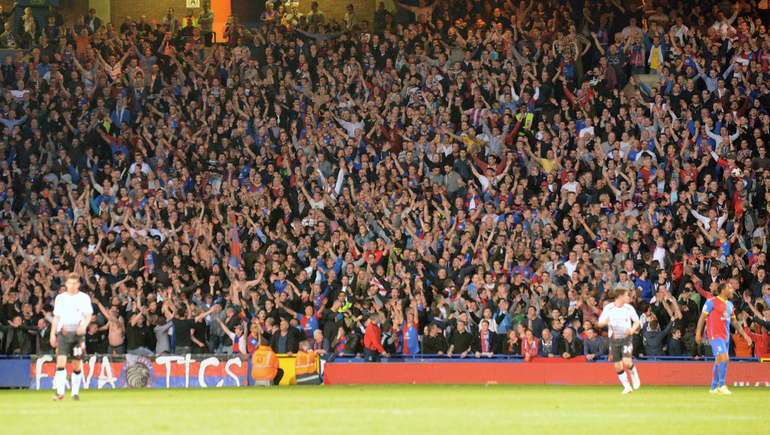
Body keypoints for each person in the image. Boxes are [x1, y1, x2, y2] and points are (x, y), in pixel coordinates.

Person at [696, 282, 753, 394]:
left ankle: (713, 388)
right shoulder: (711, 302)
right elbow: (702, 318)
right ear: (722, 290)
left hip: (725, 337)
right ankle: (722, 385)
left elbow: (734, 322)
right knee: (725, 358)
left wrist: (746, 336)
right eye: (729, 288)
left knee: (718, 360)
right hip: (715, 335)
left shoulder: (729, 305)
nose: (732, 290)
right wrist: (698, 333)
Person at [50, 273, 93, 401]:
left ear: (78, 284)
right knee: (61, 362)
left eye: (74, 283)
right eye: (69, 283)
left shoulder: (84, 298)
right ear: (66, 283)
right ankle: (60, 393)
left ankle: (74, 392)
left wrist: (84, 326)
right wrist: (52, 334)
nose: (72, 286)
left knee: (76, 365)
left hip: (78, 335)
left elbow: (88, 315)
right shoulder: (60, 298)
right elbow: (56, 317)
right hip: (63, 334)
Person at [597, 288, 641, 394]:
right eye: (627, 295)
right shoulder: (609, 308)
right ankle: (627, 386)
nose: (628, 298)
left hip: (626, 337)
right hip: (614, 338)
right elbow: (599, 323)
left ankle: (634, 373)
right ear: (620, 297)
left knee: (627, 362)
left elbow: (637, 322)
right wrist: (604, 322)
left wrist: (632, 330)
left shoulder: (629, 308)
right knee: (617, 365)